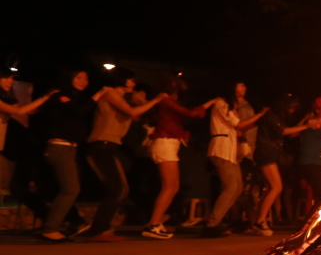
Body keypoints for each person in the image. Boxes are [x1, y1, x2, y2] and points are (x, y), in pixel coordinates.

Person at [84, 68, 166, 242]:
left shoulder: (121, 98)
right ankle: (97, 231)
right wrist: (156, 100)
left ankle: (101, 229)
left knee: (121, 189)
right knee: (117, 189)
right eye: (131, 80)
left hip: (110, 146)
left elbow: (138, 115)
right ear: (121, 80)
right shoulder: (110, 92)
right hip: (101, 144)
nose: (134, 84)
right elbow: (132, 112)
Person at [141, 76, 218, 239]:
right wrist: (211, 103)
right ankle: (153, 225)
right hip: (164, 143)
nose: (180, 96)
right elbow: (191, 114)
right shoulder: (165, 99)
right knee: (169, 187)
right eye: (179, 91)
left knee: (173, 187)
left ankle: (155, 223)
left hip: (169, 144)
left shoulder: (168, 101)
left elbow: (187, 114)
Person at [39, 70, 105, 241]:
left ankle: (68, 223)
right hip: (59, 147)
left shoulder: (77, 97)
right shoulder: (61, 96)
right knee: (70, 189)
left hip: (71, 149)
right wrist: (98, 95)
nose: (83, 81)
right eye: (79, 77)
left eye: (86, 78)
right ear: (70, 78)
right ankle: (50, 228)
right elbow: (79, 111)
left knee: (70, 189)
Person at [204, 95, 267, 237]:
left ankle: (216, 221)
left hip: (229, 152)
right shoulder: (221, 104)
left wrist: (258, 120)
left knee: (237, 187)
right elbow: (239, 125)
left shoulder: (228, 108)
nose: (245, 89)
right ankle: (211, 224)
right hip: (221, 150)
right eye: (241, 86)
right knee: (231, 186)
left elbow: (240, 128)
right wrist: (259, 115)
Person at [249, 93, 308, 236]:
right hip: (266, 152)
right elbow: (284, 131)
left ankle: (257, 221)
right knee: (277, 187)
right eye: (291, 107)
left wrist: (304, 123)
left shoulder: (275, 116)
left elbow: (288, 132)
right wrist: (306, 126)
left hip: (268, 152)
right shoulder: (270, 114)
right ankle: (260, 221)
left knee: (270, 188)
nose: (292, 110)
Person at [1, 72, 57, 219]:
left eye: (12, 78)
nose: (10, 81)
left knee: (24, 186)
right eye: (5, 77)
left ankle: (55, 219)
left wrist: (49, 102)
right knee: (19, 187)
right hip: (17, 149)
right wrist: (45, 97)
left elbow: (28, 110)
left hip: (22, 149)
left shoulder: (7, 99)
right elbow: (20, 111)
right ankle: (53, 219)